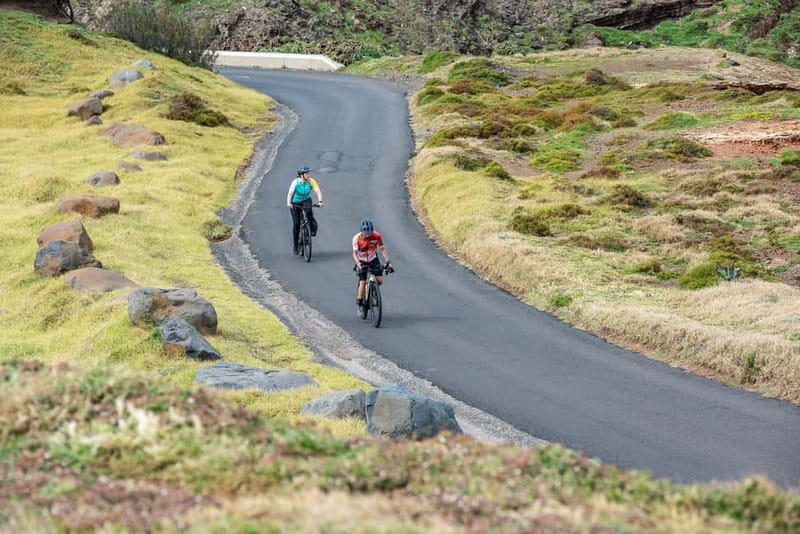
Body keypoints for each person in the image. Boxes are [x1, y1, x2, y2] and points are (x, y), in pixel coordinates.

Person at [353, 218, 393, 316]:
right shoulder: (356, 238)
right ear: (361, 231)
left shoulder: (377, 236)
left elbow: (382, 248)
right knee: (362, 282)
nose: (367, 236)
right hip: (362, 260)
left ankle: (373, 290)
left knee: (380, 280)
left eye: (369, 233)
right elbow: (354, 253)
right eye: (365, 234)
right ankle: (359, 305)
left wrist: (388, 261)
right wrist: (358, 264)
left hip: (373, 259)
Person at [286, 165, 323, 254]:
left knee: (309, 214)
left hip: (306, 200)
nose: (308, 175)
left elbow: (318, 191)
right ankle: (296, 245)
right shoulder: (296, 182)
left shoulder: (311, 181)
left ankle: (311, 229)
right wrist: (289, 203)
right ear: (301, 175)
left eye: (308, 173)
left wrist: (320, 201)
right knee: (296, 223)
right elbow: (290, 193)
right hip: (295, 202)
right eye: (306, 173)